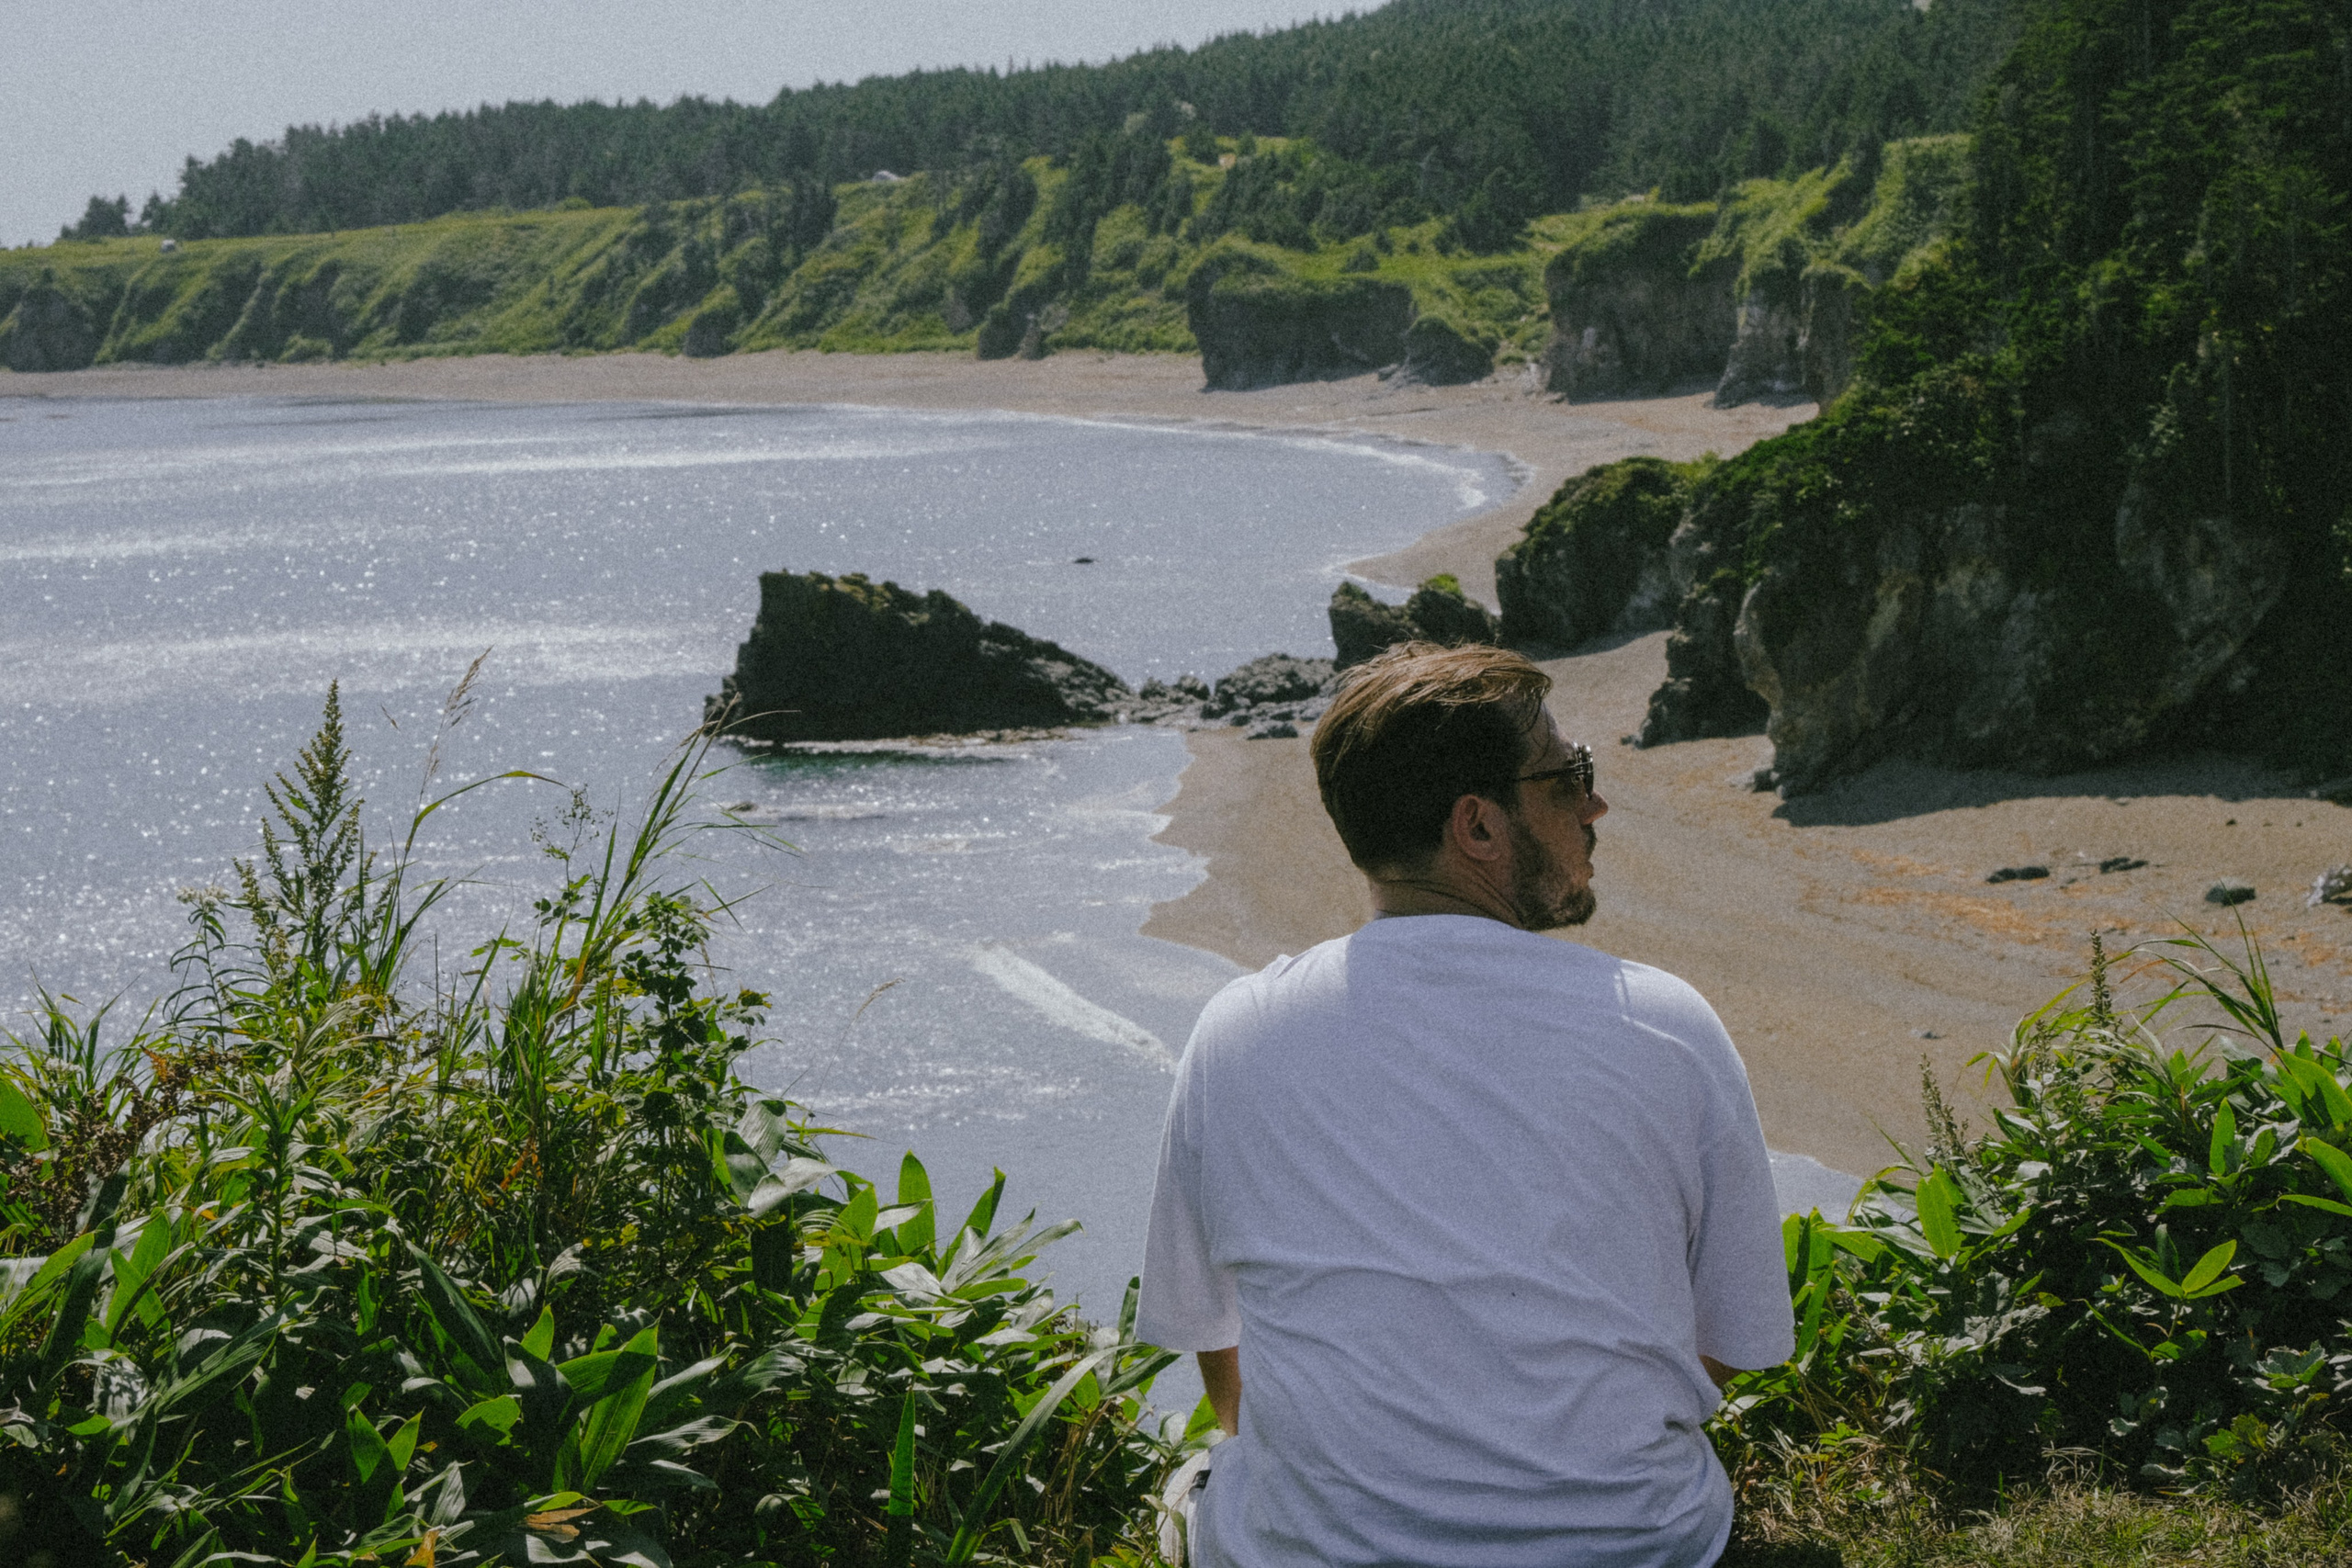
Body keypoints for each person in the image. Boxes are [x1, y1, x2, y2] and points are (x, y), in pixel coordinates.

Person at [1137, 641, 1793, 1568]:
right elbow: (1734, 1341)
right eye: (1569, 777)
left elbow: (1215, 1345)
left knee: (1194, 1500)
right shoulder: (1661, 1023)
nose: (1595, 803)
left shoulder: (1237, 1030)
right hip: (1633, 1548)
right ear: (1478, 827)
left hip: (1318, 1553)